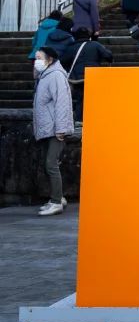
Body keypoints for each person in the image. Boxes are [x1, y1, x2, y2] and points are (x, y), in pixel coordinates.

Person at [33, 45, 73, 216]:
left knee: (51, 164)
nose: (36, 61)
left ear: (50, 60)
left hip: (55, 128)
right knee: (51, 164)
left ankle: (56, 202)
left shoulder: (55, 75)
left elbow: (62, 103)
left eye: (39, 58)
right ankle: (57, 197)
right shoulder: (45, 75)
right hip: (47, 127)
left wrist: (61, 129)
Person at [61, 28, 113, 122]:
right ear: (89, 36)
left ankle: (79, 120)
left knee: (80, 99)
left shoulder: (71, 47)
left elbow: (63, 61)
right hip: (94, 76)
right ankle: (95, 118)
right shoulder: (95, 45)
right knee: (95, 99)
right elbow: (108, 55)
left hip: (77, 78)